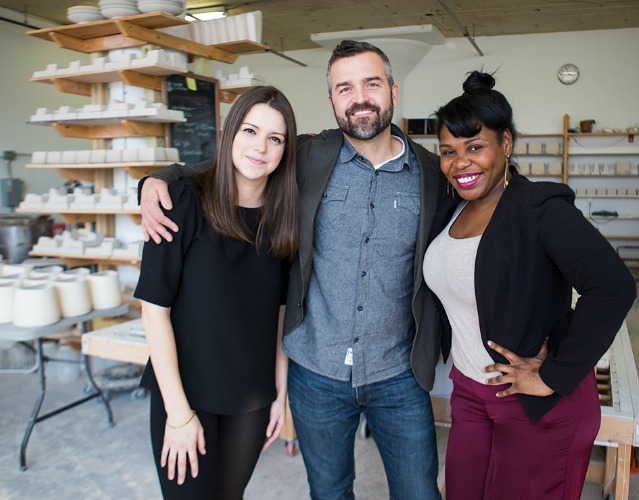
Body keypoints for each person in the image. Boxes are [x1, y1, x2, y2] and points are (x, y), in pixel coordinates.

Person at [138, 40, 447, 499]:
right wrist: (158, 179)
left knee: (420, 493)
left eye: (371, 84)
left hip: (395, 371)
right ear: (332, 101)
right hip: (315, 371)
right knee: (328, 492)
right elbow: (237, 163)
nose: (359, 97)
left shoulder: (430, 172)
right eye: (345, 88)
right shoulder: (310, 155)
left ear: (393, 92)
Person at [422, 71, 637, 499]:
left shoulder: (538, 207)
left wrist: (554, 375)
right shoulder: (450, 210)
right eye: (448, 151)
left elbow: (613, 286)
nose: (460, 162)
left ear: (506, 143)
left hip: (534, 403)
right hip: (469, 392)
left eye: (475, 147)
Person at [135, 86, 298, 499]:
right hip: (188, 394)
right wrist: (177, 414)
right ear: (229, 134)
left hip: (252, 395)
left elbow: (278, 314)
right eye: (249, 131)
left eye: (274, 138)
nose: (260, 147)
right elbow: (154, 311)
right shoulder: (182, 201)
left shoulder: (282, 220)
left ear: (284, 150)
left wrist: (280, 395)